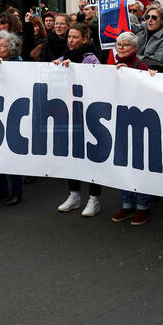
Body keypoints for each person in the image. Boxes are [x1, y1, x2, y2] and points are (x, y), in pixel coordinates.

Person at [55, 24, 109, 217]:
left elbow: (95, 83)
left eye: (75, 37)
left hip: (88, 113)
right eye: (69, 36)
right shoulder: (65, 56)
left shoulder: (91, 58)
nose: (70, 40)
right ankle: (74, 195)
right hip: (70, 112)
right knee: (72, 154)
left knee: (91, 156)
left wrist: (74, 70)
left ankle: (94, 199)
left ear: (85, 39)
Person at [0, 31, 24, 206]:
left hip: (13, 113)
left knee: (11, 155)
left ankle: (16, 191)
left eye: (3, 46)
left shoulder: (19, 64)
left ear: (11, 48)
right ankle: (1, 189)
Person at [135, 4, 163, 71]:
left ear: (162, 20)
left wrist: (134, 58)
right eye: (147, 17)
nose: (150, 20)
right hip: (138, 71)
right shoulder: (140, 34)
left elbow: (155, 62)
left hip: (157, 75)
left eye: (154, 17)